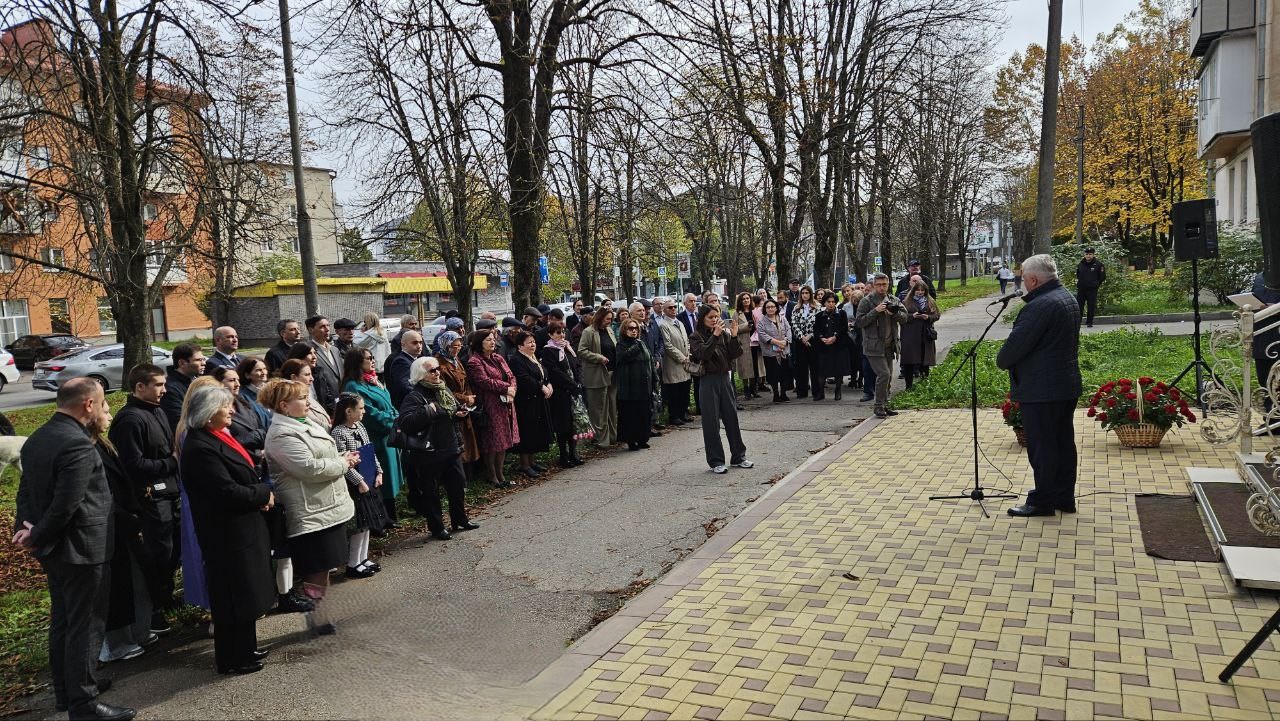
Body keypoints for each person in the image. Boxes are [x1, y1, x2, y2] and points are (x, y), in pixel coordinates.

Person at [14, 378, 137, 721]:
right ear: (87, 405)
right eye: (101, 404)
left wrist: (24, 531)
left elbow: (26, 493)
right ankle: (83, 703)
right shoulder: (78, 445)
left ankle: (67, 692)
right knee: (86, 623)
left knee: (65, 620)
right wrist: (36, 533)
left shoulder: (39, 438)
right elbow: (66, 504)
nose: (103, 410)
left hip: (56, 548)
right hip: (83, 548)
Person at [179, 383, 276, 675]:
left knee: (246, 593)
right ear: (209, 415)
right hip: (226, 533)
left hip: (243, 527)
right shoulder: (199, 448)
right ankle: (233, 658)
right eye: (225, 407)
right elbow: (226, 491)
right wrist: (262, 495)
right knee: (232, 596)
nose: (231, 410)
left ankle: (247, 646)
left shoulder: (218, 436)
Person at [262, 379, 358, 635]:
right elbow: (308, 468)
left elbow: (322, 456)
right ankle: (318, 617)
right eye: (302, 398)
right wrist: (343, 463)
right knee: (316, 568)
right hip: (310, 511)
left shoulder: (304, 423)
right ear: (284, 405)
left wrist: (341, 458)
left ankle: (322, 612)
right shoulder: (282, 434)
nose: (307, 402)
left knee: (325, 565)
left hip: (326, 505)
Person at [997, 254, 1082, 517]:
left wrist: (1003, 359)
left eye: (1022, 276)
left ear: (1033, 279)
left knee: (1043, 447)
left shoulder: (1038, 307)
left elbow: (1011, 353)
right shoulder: (1066, 297)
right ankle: (1063, 497)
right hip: (1064, 383)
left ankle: (1043, 500)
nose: (1021, 280)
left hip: (1042, 389)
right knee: (1062, 443)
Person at [108, 364, 180, 636]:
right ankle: (153, 612)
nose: (165, 390)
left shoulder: (157, 411)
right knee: (157, 554)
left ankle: (165, 598)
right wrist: (170, 463)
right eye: (159, 385)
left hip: (169, 493)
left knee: (171, 552)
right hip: (150, 499)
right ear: (140, 387)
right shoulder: (130, 420)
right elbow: (132, 465)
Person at [94, 403, 154, 666]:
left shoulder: (102, 443)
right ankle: (116, 644)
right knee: (116, 589)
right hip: (112, 526)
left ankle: (135, 633)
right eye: (105, 411)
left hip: (125, 522)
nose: (110, 416)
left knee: (133, 581)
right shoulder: (87, 448)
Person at [398, 356, 480, 538]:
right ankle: (437, 527)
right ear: (421, 375)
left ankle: (460, 519)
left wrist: (460, 413)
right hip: (430, 452)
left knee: (458, 485)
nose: (437, 373)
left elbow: (453, 410)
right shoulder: (415, 396)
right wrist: (428, 411)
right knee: (431, 492)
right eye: (432, 370)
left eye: (437, 369)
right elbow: (406, 422)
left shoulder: (443, 388)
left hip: (451, 447)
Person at [341, 347, 404, 526]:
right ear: (357, 363)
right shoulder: (353, 386)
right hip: (375, 436)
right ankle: (381, 518)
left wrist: (395, 416)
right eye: (369, 358)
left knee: (389, 476)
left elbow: (389, 403)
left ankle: (390, 515)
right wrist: (393, 419)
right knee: (377, 477)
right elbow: (369, 413)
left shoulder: (372, 381)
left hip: (388, 433)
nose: (373, 361)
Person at [688, 306, 754, 474]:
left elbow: (735, 353)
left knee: (731, 418)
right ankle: (716, 460)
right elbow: (703, 354)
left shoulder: (723, 334)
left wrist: (733, 335)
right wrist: (715, 335)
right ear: (703, 318)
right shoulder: (696, 336)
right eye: (711, 317)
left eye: (717, 316)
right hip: (708, 381)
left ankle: (739, 457)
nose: (715, 320)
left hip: (725, 379)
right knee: (711, 423)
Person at [329, 393, 388, 575]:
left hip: (369, 479)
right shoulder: (339, 432)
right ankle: (353, 563)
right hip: (356, 485)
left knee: (368, 522)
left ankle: (363, 558)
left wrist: (379, 471)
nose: (364, 411)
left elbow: (369, 450)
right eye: (361, 408)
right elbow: (343, 461)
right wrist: (359, 480)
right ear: (348, 411)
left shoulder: (360, 426)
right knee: (359, 524)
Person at [465, 330, 519, 488]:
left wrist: (512, 389)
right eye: (488, 340)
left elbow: (511, 376)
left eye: (493, 339)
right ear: (479, 343)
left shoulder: (498, 357)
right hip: (489, 404)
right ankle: (492, 474)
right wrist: (506, 388)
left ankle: (501, 473)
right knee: (492, 441)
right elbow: (484, 381)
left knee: (504, 439)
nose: (493, 342)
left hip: (506, 402)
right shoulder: (475, 361)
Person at [856, 273, 909, 418]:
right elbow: (859, 322)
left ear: (888, 284)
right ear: (873, 285)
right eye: (878, 285)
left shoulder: (893, 299)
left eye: (884, 284)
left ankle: (885, 405)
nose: (881, 287)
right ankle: (878, 406)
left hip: (889, 345)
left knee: (889, 376)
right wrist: (875, 311)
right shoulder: (866, 301)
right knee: (883, 374)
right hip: (873, 346)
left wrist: (893, 313)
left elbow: (905, 318)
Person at [508, 330, 554, 476]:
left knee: (535, 430)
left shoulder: (533, 357)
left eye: (533, 342)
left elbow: (543, 373)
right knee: (526, 431)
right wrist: (541, 386)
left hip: (538, 400)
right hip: (525, 401)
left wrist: (548, 384)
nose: (533, 345)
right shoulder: (516, 359)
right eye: (529, 342)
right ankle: (524, 464)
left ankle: (532, 461)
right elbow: (523, 378)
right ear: (520, 346)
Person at [539, 321, 585, 467]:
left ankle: (573, 453)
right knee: (563, 426)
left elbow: (576, 364)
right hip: (560, 393)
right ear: (550, 334)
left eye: (563, 332)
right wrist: (571, 384)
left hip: (572, 391)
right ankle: (564, 456)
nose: (562, 335)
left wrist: (578, 381)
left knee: (572, 425)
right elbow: (555, 372)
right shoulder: (548, 350)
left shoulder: (567, 348)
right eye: (558, 332)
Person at [434, 331, 480, 469]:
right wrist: (465, 398)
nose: (457, 349)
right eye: (454, 346)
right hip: (453, 408)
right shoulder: (439, 364)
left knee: (468, 442)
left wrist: (470, 397)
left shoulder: (456, 360)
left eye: (459, 345)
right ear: (445, 345)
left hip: (465, 405)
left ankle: (469, 473)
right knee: (459, 443)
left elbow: (466, 382)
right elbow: (443, 389)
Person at [210, 367, 268, 473]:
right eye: (232, 380)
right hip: (243, 464)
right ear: (218, 383)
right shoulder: (217, 411)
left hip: (262, 461)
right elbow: (229, 442)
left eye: (238, 380)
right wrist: (257, 450)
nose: (238, 384)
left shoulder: (243, 402)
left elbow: (262, 430)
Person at [577, 307, 618, 448]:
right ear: (600, 318)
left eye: (611, 319)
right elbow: (581, 351)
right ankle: (602, 439)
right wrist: (597, 357)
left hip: (612, 374)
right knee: (598, 409)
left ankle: (613, 436)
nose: (610, 321)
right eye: (608, 319)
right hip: (596, 375)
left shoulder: (610, 330)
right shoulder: (589, 332)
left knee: (611, 407)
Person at [615, 319, 656, 451]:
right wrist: (635, 347)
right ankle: (631, 440)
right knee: (631, 414)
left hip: (644, 385)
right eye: (631, 328)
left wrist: (655, 378)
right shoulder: (621, 344)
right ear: (624, 330)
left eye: (636, 329)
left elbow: (649, 359)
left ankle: (643, 438)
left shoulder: (641, 342)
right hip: (630, 387)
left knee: (644, 413)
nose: (634, 331)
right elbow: (623, 357)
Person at [658, 297, 693, 424]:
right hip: (673, 363)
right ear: (664, 310)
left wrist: (688, 354)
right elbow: (668, 346)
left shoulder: (680, 323)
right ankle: (674, 416)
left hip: (685, 362)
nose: (673, 309)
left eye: (674, 307)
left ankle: (683, 413)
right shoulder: (663, 325)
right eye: (670, 307)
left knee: (684, 389)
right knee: (675, 391)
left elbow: (686, 341)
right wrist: (682, 358)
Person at [899, 281, 940, 389]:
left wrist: (929, 317)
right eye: (918, 290)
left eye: (922, 290)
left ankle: (924, 384)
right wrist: (912, 316)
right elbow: (900, 317)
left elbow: (937, 315)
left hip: (925, 335)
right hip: (910, 336)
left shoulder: (930, 301)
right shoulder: (906, 301)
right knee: (909, 361)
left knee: (924, 360)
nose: (920, 292)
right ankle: (909, 386)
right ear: (913, 290)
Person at [811, 292, 850, 401]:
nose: (831, 304)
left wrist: (835, 337)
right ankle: (820, 392)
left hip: (838, 345)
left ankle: (838, 390)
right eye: (828, 302)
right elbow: (816, 329)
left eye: (833, 302)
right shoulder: (819, 315)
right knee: (822, 370)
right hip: (824, 346)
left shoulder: (841, 313)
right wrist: (821, 338)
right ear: (824, 303)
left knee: (838, 369)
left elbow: (844, 327)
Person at [1249, 272, 1280, 408]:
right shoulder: (1260, 277)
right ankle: (1269, 419)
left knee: (1277, 381)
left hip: (1277, 336)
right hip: (1261, 337)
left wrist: (1273, 309)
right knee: (1265, 380)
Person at [161, 342, 206, 431]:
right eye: (198, 360)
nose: (203, 363)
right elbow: (179, 422)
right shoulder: (170, 389)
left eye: (203, 359)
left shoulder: (196, 381)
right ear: (182, 363)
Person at [278, 358, 332, 428]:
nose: (312, 378)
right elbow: (318, 425)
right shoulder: (292, 400)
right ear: (293, 377)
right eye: (307, 375)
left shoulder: (306, 394)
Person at [757, 299, 792, 403]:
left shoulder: (782, 318)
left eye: (772, 306)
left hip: (784, 351)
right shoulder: (761, 321)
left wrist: (785, 341)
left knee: (784, 372)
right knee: (773, 374)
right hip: (770, 353)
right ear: (765, 309)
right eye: (768, 307)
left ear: (776, 308)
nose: (770, 309)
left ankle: (783, 394)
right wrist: (777, 342)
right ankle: (776, 394)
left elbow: (788, 330)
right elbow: (763, 335)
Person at [305, 316, 343, 411]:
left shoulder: (335, 350)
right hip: (324, 404)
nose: (327, 329)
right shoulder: (308, 351)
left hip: (341, 400)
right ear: (311, 330)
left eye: (328, 325)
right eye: (322, 326)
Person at [789, 286, 819, 399]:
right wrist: (802, 337)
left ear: (811, 294)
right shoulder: (796, 308)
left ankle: (817, 392)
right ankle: (802, 391)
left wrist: (810, 336)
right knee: (801, 368)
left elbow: (818, 324)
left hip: (813, 341)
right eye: (803, 293)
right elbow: (794, 323)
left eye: (807, 293)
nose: (805, 295)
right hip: (800, 341)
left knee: (815, 367)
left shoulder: (818, 307)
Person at [732, 293, 764, 401]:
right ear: (740, 301)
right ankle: (746, 391)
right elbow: (734, 328)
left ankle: (754, 389)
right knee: (745, 368)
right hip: (744, 343)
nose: (746, 300)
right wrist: (747, 326)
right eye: (744, 299)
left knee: (755, 366)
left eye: (748, 298)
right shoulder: (737, 313)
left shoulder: (755, 311)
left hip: (755, 342)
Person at [676, 293, 702, 415]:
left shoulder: (699, 316)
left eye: (695, 301)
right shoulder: (679, 317)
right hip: (686, 354)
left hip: (698, 354)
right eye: (691, 301)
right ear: (685, 303)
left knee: (698, 382)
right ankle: (684, 408)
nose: (693, 303)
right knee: (686, 383)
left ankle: (700, 406)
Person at [386, 330, 423, 408]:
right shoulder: (401, 361)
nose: (419, 346)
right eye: (415, 343)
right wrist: (422, 395)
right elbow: (404, 386)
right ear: (403, 344)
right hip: (408, 406)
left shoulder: (414, 359)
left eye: (420, 342)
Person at [354, 312, 392, 377]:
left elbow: (355, 343)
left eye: (365, 321)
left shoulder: (369, 335)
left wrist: (362, 332)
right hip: (384, 364)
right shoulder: (382, 332)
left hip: (373, 365)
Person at [1076, 247, 1105, 328]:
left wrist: (1096, 284)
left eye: (1090, 254)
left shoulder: (1099, 264)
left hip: (1092, 289)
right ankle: (1078, 322)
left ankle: (1089, 322)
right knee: (1079, 306)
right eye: (1086, 254)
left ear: (1093, 255)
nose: (1088, 256)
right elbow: (1078, 275)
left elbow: (1102, 277)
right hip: (1081, 289)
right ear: (1084, 255)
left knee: (1091, 306)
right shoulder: (1080, 264)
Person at [841, 285, 864, 389]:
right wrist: (847, 324)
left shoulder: (864, 305)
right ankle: (853, 379)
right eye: (854, 300)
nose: (856, 302)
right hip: (850, 336)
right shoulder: (846, 306)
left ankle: (861, 380)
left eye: (858, 300)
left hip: (862, 335)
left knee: (862, 358)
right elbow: (843, 319)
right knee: (853, 359)